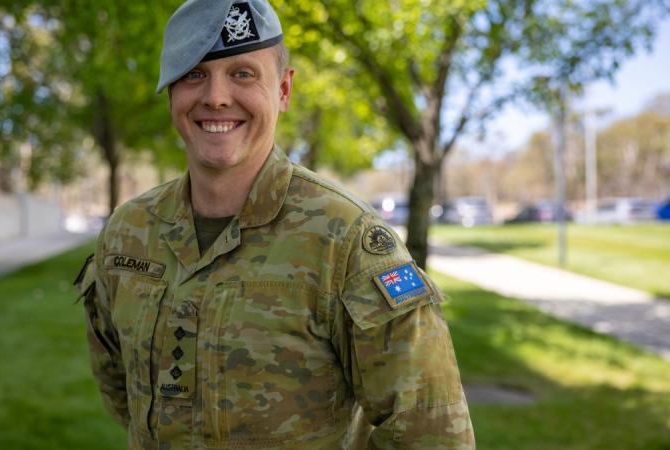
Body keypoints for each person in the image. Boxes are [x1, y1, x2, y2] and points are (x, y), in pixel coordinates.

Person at [75, 0, 475, 448]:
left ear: (283, 91)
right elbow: (121, 391)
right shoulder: (129, 231)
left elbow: (432, 432)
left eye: (243, 74)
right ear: (171, 93)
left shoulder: (345, 239)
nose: (216, 96)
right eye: (194, 74)